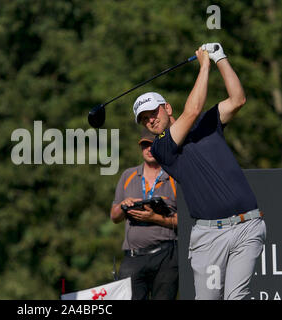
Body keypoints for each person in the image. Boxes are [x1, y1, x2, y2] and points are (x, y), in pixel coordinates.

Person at [133, 43, 266, 300]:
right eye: (144, 118)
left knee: (237, 297)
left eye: (154, 112)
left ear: (167, 108)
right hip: (209, 236)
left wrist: (220, 58)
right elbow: (191, 111)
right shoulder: (161, 147)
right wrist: (204, 65)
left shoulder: (207, 123)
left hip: (247, 226)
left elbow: (238, 99)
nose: (151, 119)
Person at [110, 127, 178, 300]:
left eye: (154, 145)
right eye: (145, 145)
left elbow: (186, 221)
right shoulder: (128, 175)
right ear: (141, 148)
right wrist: (123, 207)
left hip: (166, 256)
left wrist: (156, 218)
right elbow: (114, 216)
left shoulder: (175, 177)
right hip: (133, 257)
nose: (149, 149)